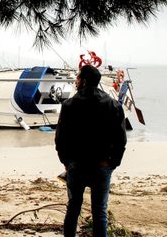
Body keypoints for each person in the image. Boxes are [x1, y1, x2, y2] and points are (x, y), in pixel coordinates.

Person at [55, 65, 127, 237]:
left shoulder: (69, 105)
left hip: (76, 165)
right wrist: (112, 163)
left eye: (78, 78)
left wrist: (65, 161)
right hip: (102, 165)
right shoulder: (113, 105)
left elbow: (60, 138)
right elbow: (121, 139)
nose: (76, 81)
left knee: (73, 207)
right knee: (99, 211)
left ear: (84, 81)